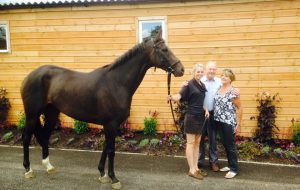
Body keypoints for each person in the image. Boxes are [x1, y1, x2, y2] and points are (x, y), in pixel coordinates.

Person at [168, 63, 209, 180]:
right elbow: (179, 96)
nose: (200, 73)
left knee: (197, 143)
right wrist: (171, 97)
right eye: (198, 71)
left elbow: (200, 101)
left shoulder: (202, 84)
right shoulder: (188, 84)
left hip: (200, 117)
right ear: (193, 72)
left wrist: (206, 109)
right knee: (190, 143)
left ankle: (196, 168)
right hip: (191, 117)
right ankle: (191, 170)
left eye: (201, 72)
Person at [213, 69, 242, 179]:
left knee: (230, 145)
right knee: (225, 143)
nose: (223, 77)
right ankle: (230, 165)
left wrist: (238, 124)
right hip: (218, 121)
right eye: (222, 75)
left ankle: (234, 169)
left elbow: (239, 107)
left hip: (229, 122)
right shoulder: (219, 88)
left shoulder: (233, 91)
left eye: (226, 76)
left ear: (231, 79)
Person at [198, 61, 222, 172]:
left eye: (213, 69)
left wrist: (236, 90)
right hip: (201, 114)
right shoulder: (200, 80)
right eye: (209, 69)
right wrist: (184, 84)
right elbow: (190, 86)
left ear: (215, 70)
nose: (211, 71)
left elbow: (228, 88)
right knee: (200, 138)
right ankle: (199, 161)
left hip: (213, 114)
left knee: (213, 139)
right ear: (206, 69)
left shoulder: (219, 81)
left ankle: (214, 162)